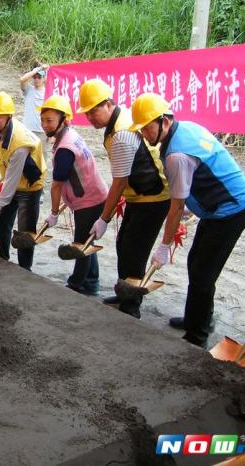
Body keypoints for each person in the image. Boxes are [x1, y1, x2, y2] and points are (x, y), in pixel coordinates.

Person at [129, 92, 245, 348]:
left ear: (164, 120)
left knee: (202, 272)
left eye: (147, 127)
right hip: (216, 207)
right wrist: (193, 209)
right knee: (196, 262)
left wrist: (163, 246)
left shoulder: (177, 154)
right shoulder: (184, 128)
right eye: (141, 129)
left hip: (231, 209)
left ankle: (197, 335)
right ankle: (198, 318)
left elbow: (175, 206)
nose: (145, 134)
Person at [77, 79, 171, 317]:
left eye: (94, 111)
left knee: (134, 250)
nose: (90, 117)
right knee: (124, 244)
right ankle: (124, 292)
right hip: (138, 195)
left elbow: (118, 181)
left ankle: (131, 307)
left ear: (109, 104)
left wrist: (104, 218)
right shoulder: (118, 123)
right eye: (87, 113)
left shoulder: (121, 133)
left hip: (152, 197)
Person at [39, 94, 108, 296]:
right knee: (87, 241)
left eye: (49, 120)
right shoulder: (70, 135)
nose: (45, 125)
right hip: (95, 193)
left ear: (64, 119)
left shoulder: (65, 148)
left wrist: (53, 213)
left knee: (80, 244)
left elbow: (56, 185)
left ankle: (76, 284)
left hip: (89, 200)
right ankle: (92, 281)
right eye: (43, 120)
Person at [0, 92, 46, 271]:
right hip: (10, 181)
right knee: (0, 226)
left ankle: (24, 270)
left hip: (29, 186)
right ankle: (0, 261)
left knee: (24, 233)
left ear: (9, 117)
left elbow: (11, 183)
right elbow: (5, 160)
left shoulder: (20, 143)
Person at [20, 64, 50, 163]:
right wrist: (38, 69)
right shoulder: (29, 90)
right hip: (28, 130)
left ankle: (41, 178)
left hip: (42, 131)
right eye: (35, 77)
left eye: (39, 77)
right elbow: (22, 80)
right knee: (26, 157)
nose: (37, 80)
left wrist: (52, 135)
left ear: (43, 79)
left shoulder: (48, 93)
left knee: (41, 158)